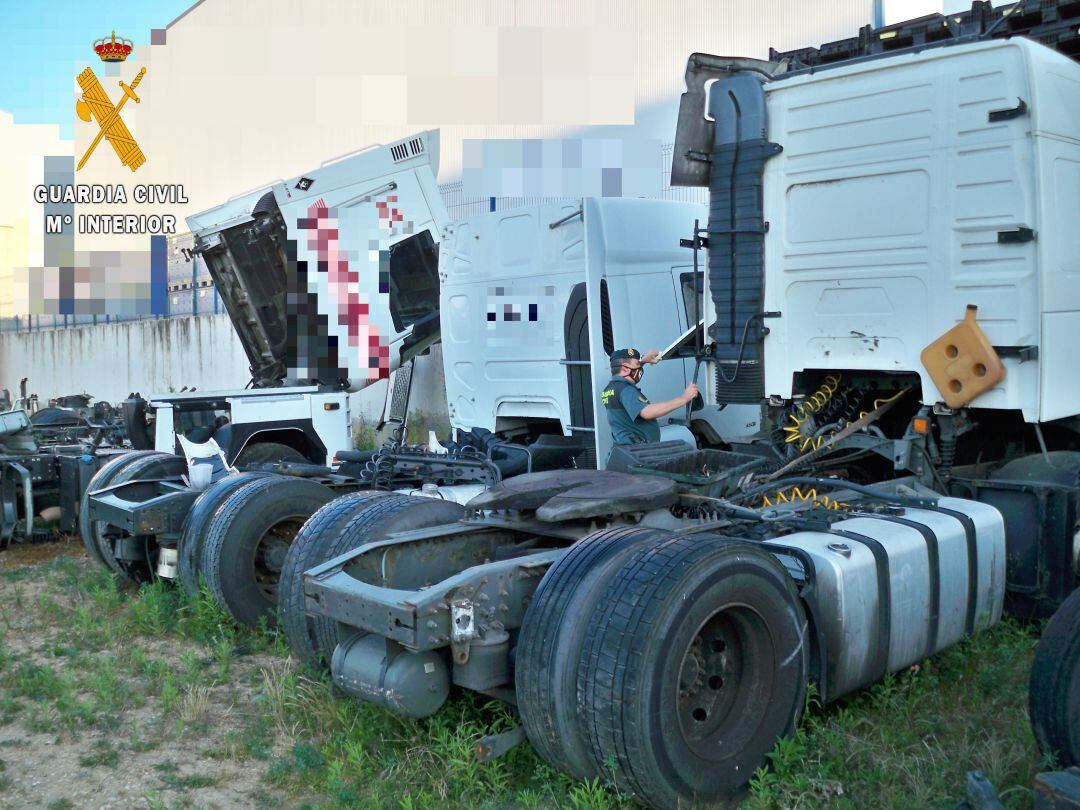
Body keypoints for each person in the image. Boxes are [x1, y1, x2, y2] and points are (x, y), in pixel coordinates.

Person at [600, 347, 698, 445]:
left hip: (624, 451)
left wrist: (643, 360)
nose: (640, 370)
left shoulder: (610, 389)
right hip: (636, 452)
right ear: (625, 368)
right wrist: (684, 398)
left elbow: (629, 367)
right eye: (638, 365)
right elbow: (647, 412)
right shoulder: (625, 390)